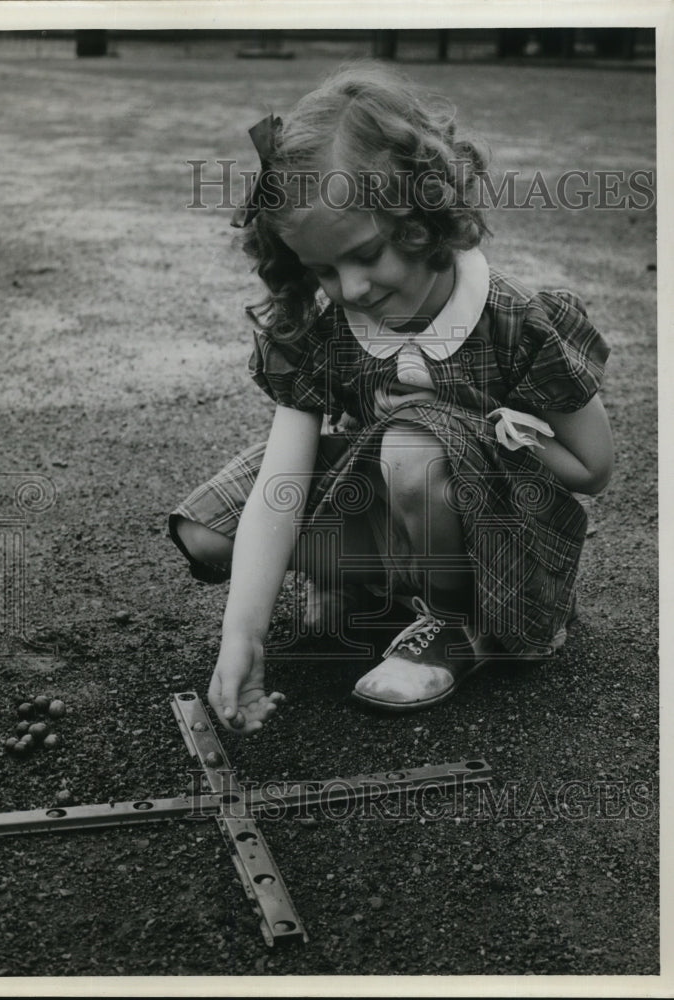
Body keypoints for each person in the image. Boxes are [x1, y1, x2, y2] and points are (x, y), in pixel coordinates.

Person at [168, 62, 613, 735]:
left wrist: (481, 425)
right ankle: (371, 586)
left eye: (367, 253)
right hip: (397, 499)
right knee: (207, 534)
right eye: (321, 268)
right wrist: (243, 636)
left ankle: (457, 624)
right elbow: (282, 483)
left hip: (502, 528)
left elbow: (594, 469)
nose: (349, 287)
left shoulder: (514, 319)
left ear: (424, 210)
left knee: (412, 446)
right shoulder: (325, 330)